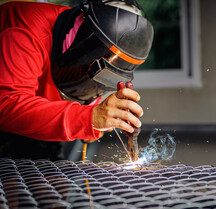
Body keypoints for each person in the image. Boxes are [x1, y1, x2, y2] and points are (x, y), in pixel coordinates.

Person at [0, 0, 154, 160]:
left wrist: (95, 115)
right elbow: (7, 103)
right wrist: (89, 117)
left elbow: (90, 80)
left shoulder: (86, 40)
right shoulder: (26, 30)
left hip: (40, 120)